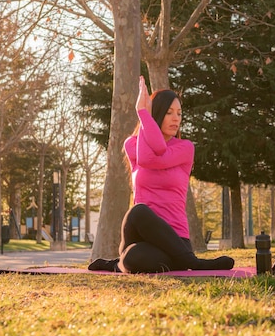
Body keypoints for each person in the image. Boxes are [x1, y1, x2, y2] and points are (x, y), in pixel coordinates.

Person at [89, 76, 234, 273]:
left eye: (179, 113)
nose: (176, 118)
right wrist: (144, 115)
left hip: (176, 240)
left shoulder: (185, 148)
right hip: (143, 236)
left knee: (133, 257)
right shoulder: (132, 144)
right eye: (169, 112)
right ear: (155, 114)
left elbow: (156, 156)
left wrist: (143, 113)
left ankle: (122, 264)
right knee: (138, 212)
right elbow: (148, 155)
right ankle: (193, 263)